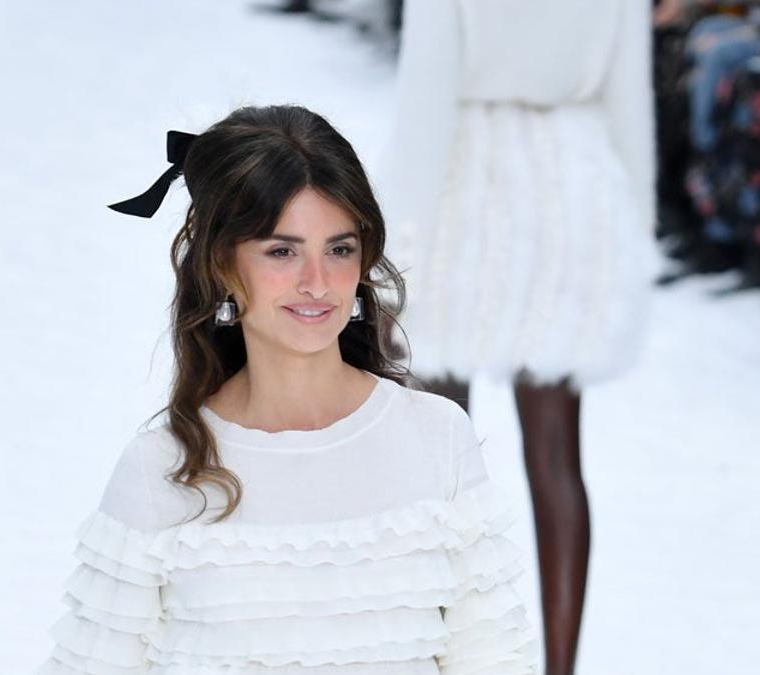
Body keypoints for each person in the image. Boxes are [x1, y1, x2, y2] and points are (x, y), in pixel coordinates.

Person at [36, 105, 535, 674]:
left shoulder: (437, 436)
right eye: (282, 251)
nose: (317, 283)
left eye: (339, 249)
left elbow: (493, 660)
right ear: (222, 264)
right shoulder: (162, 469)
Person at [376, 2, 658, 674]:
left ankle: (441, 654)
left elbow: (424, 102)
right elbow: (630, 104)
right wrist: (637, 241)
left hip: (464, 189)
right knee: (558, 455)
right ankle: (562, 666)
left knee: (440, 458)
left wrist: (395, 257)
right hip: (573, 188)